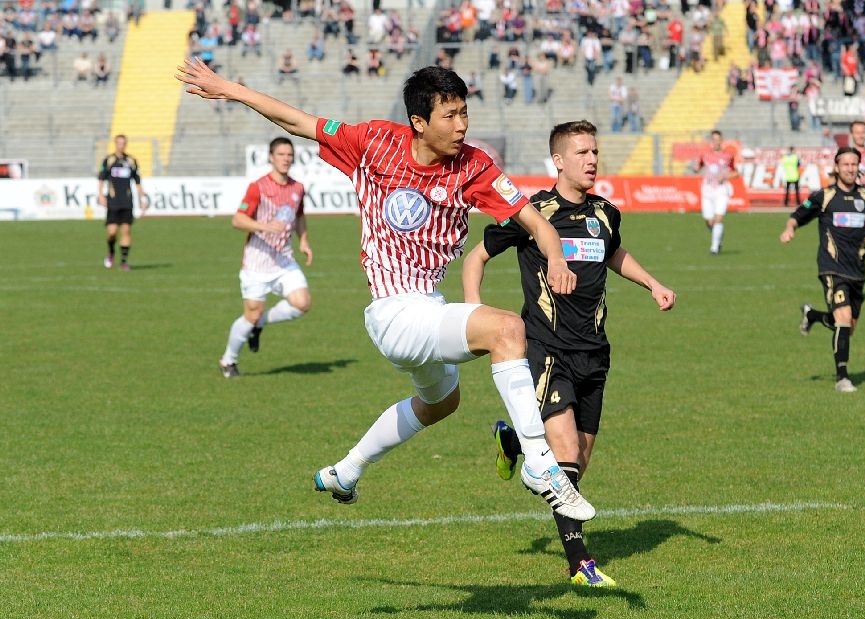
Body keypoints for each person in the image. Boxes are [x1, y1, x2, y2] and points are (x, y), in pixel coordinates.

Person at [175, 60, 596, 521]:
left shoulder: (473, 165)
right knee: (508, 329)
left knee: (442, 403)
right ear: (419, 122)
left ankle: (346, 471)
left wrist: (556, 258)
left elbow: (536, 221)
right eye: (450, 115)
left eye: (464, 113)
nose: (462, 125)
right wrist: (231, 89)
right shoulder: (374, 142)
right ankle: (539, 463)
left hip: (427, 307)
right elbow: (298, 122)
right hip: (394, 312)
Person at [462, 120, 677, 587]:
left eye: (594, 151)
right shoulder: (533, 213)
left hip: (595, 353)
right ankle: (581, 565)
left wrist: (652, 284)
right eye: (581, 153)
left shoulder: (605, 212)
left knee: (578, 460)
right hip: (546, 349)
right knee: (565, 457)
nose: (592, 160)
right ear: (558, 161)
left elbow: (613, 253)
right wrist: (474, 312)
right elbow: (476, 257)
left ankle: (513, 442)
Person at [780, 146, 865, 393]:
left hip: (857, 270)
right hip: (832, 267)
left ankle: (812, 316)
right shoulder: (824, 196)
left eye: (854, 164)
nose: (850, 169)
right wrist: (790, 228)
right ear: (836, 167)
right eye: (845, 164)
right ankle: (842, 378)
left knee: (847, 326)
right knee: (843, 319)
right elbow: (797, 215)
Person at [218, 137, 313, 379]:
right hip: (257, 262)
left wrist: (303, 240)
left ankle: (260, 324)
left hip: (283, 259)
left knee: (302, 303)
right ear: (271, 157)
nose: (286, 159)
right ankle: (228, 360)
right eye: (281, 154)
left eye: (289, 155)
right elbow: (238, 220)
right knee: (251, 314)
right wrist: (264, 226)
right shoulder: (258, 187)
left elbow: (299, 215)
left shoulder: (297, 188)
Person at [97, 134, 148, 271]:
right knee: (112, 232)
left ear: (126, 144)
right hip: (113, 201)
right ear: (115, 144)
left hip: (127, 202)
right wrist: (101, 195)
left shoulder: (131, 161)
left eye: (123, 143)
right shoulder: (109, 160)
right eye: (119, 143)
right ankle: (111, 252)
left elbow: (138, 182)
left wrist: (143, 199)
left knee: (126, 231)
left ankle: (124, 262)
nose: (121, 145)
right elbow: (101, 179)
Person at [693, 130, 738, 255]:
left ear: (721, 141)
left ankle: (714, 248)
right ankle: (718, 238)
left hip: (721, 190)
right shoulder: (705, 155)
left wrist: (726, 176)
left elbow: (736, 173)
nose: (716, 142)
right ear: (711, 141)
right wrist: (696, 168)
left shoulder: (728, 156)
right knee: (709, 222)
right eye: (714, 139)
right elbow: (698, 167)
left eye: (718, 139)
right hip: (707, 191)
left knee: (718, 219)